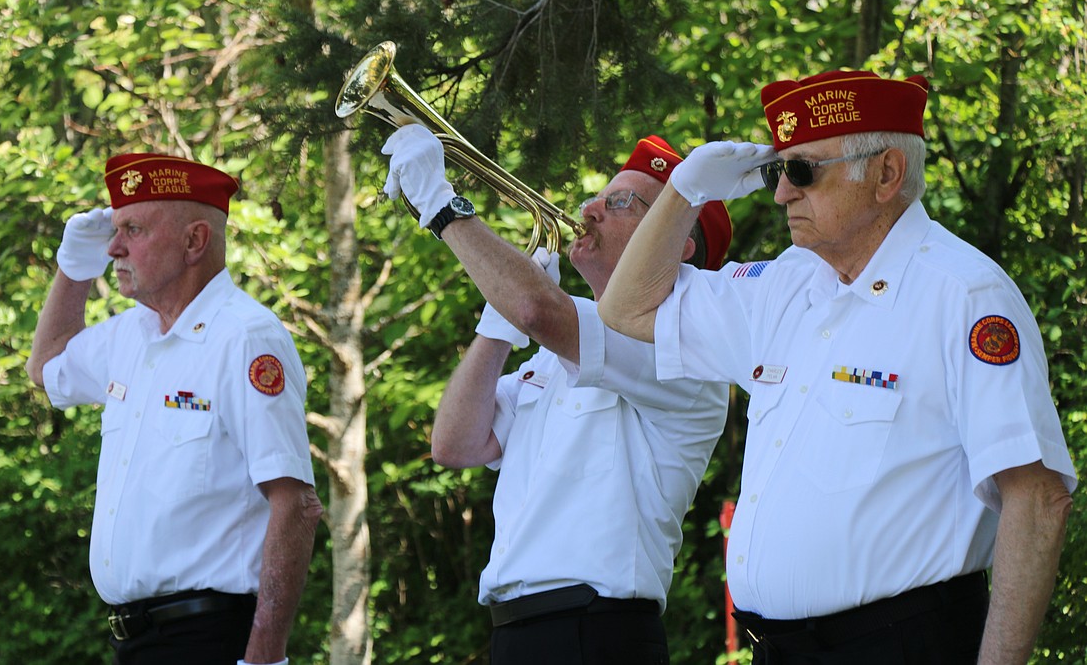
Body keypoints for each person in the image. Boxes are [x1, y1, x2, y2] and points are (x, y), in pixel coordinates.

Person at [596, 70, 1078, 665]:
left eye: (803, 172)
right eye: (779, 171)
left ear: (886, 175)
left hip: (903, 644)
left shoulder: (963, 296)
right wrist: (684, 192)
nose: (780, 194)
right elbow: (625, 309)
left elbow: (1037, 498)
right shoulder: (786, 286)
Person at [379, 124, 734, 665]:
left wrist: (439, 205)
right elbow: (455, 444)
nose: (590, 210)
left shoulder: (681, 339)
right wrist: (494, 331)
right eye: (598, 197)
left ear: (676, 244)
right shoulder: (554, 354)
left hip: (598, 631)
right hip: (518, 630)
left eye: (620, 203)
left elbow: (538, 311)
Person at [25, 153, 323, 665]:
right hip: (134, 642)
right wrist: (72, 270)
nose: (114, 247)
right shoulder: (130, 334)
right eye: (115, 230)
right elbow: (46, 367)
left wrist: (264, 656)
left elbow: (295, 504)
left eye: (133, 229)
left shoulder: (245, 338)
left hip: (209, 638)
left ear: (194, 242)